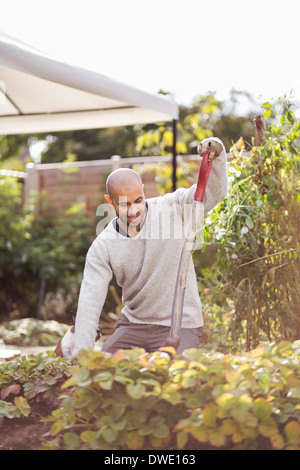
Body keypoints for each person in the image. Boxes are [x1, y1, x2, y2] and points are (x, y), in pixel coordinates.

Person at [72, 137, 228, 357]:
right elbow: (90, 301)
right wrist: (82, 356)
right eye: (125, 204)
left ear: (143, 190)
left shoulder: (172, 207)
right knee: (105, 367)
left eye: (138, 200)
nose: (134, 210)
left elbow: (214, 192)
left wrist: (218, 154)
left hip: (180, 324)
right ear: (110, 202)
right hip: (134, 324)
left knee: (170, 374)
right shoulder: (104, 246)